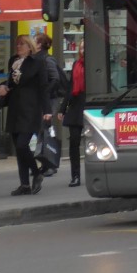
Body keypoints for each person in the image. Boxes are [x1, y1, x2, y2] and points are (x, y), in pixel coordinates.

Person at [0, 35, 50, 196]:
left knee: (22, 144)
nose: (18, 46)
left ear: (29, 46)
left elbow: (44, 87)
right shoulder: (13, 61)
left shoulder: (37, 62)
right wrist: (3, 87)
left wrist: (47, 110)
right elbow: (10, 82)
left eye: (22, 44)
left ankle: (36, 172)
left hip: (30, 108)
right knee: (18, 149)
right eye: (17, 44)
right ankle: (24, 184)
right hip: (15, 107)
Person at [34, 32, 66, 177]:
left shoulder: (47, 59)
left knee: (46, 129)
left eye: (34, 41)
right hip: (43, 99)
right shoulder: (36, 59)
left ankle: (51, 162)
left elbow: (55, 79)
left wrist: (45, 93)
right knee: (42, 130)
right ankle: (45, 162)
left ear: (40, 44)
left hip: (49, 100)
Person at [58, 42, 85, 188]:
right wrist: (62, 109)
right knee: (74, 142)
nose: (83, 50)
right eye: (81, 48)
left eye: (86, 47)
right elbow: (70, 88)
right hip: (76, 107)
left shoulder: (96, 64)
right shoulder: (76, 64)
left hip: (91, 106)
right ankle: (75, 175)